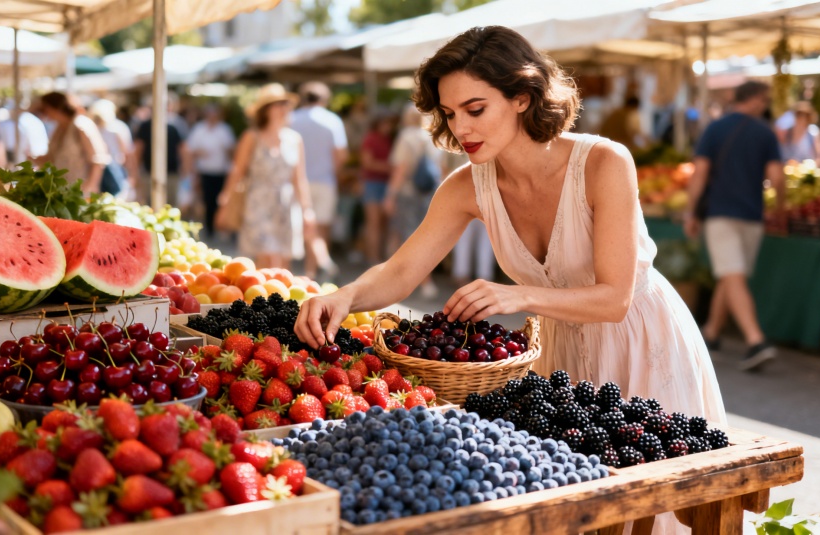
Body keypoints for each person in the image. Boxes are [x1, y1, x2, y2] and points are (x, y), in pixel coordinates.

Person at [296, 27, 726, 501]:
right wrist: (345, 295)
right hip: (558, 356)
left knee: (659, 507)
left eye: (476, 110)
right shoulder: (466, 187)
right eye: (450, 113)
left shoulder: (605, 162)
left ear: (523, 97)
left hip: (644, 341)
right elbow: (400, 271)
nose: (461, 129)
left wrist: (516, 294)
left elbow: (615, 299)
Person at [683, 81, 786, 371]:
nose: (766, 106)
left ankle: (749, 341)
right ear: (753, 100)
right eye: (764, 100)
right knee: (732, 275)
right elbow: (777, 178)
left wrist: (691, 212)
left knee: (731, 276)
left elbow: (699, 173)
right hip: (752, 216)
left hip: (720, 214)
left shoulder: (715, 129)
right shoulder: (765, 132)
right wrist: (780, 209)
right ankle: (730, 337)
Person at [218, 84, 315, 269]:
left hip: (285, 205)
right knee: (266, 259)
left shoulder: (295, 139)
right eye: (277, 104)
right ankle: (263, 297)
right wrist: (225, 201)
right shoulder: (252, 137)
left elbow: (299, 178)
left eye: (285, 104)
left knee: (284, 262)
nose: (283, 108)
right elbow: (237, 171)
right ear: (265, 110)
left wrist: (307, 210)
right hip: (258, 203)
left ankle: (281, 298)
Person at [384, 103, 443, 299]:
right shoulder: (435, 137)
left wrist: (390, 195)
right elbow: (441, 170)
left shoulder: (406, 136)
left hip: (408, 193)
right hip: (430, 194)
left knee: (406, 236)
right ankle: (423, 281)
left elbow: (400, 170)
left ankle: (409, 282)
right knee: (426, 238)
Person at [289, 81, 347, 280]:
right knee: (321, 228)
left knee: (299, 227)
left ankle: (308, 272)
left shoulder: (291, 119)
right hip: (324, 181)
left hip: (295, 183)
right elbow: (340, 156)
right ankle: (314, 272)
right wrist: (334, 174)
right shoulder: (332, 121)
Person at [35, 92, 109, 194]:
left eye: (45, 109)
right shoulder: (59, 128)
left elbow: (98, 160)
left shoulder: (81, 124)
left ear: (55, 107)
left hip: (80, 192)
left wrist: (88, 188)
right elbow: (54, 158)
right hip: (62, 190)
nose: (44, 113)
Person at [443, 149, 496, 286]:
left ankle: (463, 275)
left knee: (465, 239)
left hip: (464, 198)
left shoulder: (454, 146)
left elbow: (445, 171)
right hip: (489, 199)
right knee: (486, 241)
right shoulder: (492, 146)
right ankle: (483, 278)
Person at [185, 104, 236, 239]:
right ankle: (210, 229)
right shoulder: (199, 129)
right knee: (208, 201)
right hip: (205, 172)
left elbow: (232, 150)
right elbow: (190, 151)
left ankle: (222, 227)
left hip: (221, 172)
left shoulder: (225, 130)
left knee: (221, 201)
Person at [133, 94, 188, 206]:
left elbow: (183, 149)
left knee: (171, 205)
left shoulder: (176, 125)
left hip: (172, 172)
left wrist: (185, 170)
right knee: (151, 205)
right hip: (149, 173)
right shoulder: (145, 126)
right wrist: (135, 172)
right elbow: (139, 149)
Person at [359, 110, 397, 264]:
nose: (387, 126)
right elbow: (367, 163)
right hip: (373, 184)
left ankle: (381, 258)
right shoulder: (371, 139)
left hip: (387, 184)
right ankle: (373, 258)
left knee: (384, 224)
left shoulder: (390, 139)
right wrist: (389, 168)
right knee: (373, 222)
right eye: (384, 123)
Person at [89, 99, 133, 196]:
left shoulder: (93, 127)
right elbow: (126, 152)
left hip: (105, 170)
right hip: (112, 168)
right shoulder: (118, 127)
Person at [778, 101, 820, 165]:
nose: (800, 119)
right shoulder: (787, 132)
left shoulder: (813, 132)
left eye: (803, 116)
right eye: (798, 115)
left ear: (808, 118)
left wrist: (808, 166)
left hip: (807, 172)